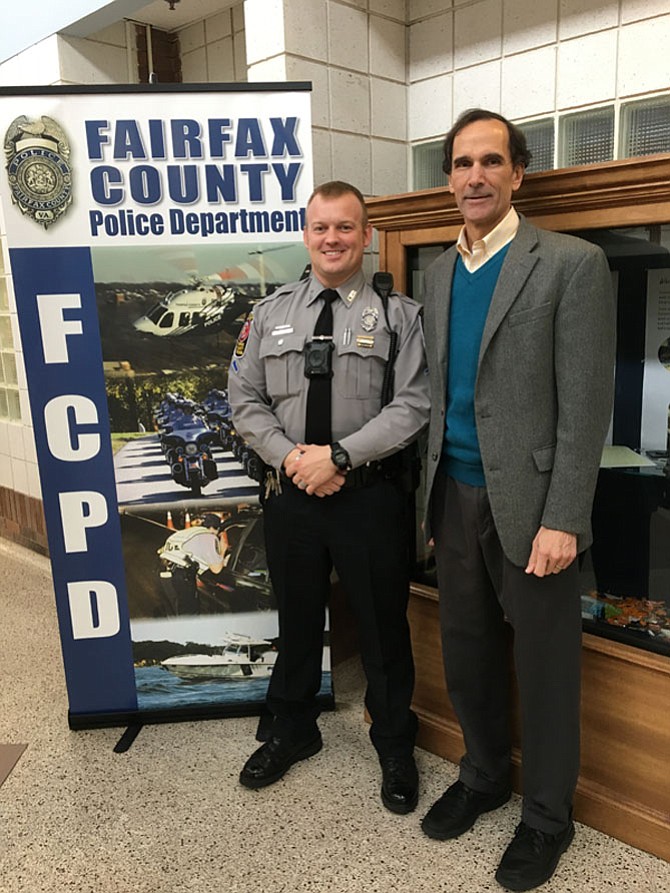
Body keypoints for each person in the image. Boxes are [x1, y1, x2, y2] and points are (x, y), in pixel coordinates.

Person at [420, 109, 615, 891]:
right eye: (462, 163)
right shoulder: (437, 272)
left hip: (534, 506)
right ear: (448, 178)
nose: (475, 176)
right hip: (454, 495)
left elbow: (587, 402)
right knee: (466, 655)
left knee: (544, 667)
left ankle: (545, 818)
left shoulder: (571, 263)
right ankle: (484, 774)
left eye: (490, 161)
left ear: (518, 172)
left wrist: (565, 514)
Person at [228, 180, 430, 813]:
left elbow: (414, 404)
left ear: (365, 236)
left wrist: (340, 457)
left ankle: (395, 741)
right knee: (295, 622)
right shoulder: (268, 314)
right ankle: (292, 730)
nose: (333, 239)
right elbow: (243, 399)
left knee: (381, 628)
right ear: (306, 233)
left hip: (368, 498)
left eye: (346, 227)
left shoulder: (400, 316)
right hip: (291, 495)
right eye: (321, 227)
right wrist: (292, 458)